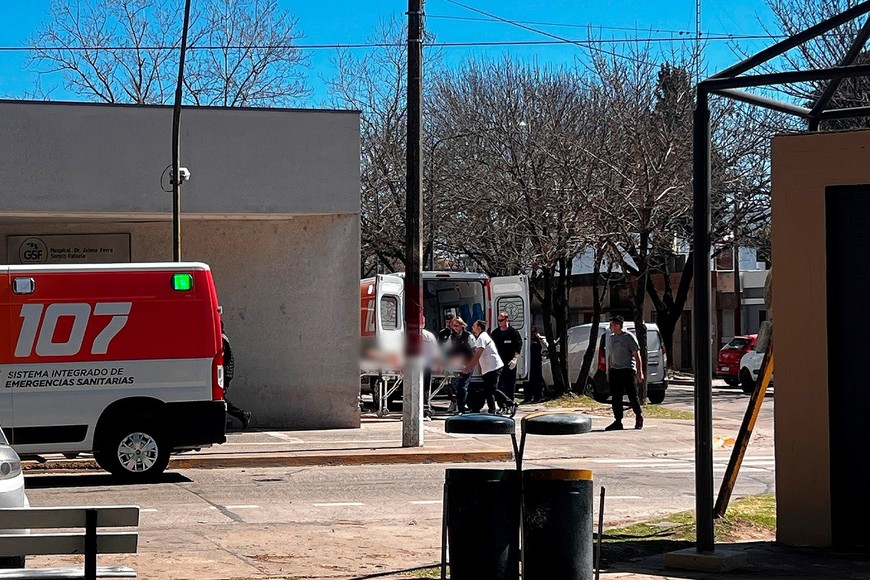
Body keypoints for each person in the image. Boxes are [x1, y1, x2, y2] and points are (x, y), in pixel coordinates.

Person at [465, 320, 517, 416]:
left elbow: (477, 354)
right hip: (488, 368)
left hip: (493, 367)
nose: (472, 327)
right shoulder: (481, 337)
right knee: (488, 389)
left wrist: (469, 367)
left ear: (479, 327)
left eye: (474, 326)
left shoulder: (482, 337)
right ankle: (492, 410)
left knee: (491, 389)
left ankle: (510, 403)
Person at [604, 315, 644, 431]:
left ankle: (638, 416)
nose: (610, 327)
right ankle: (618, 421)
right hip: (615, 371)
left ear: (617, 325)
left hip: (627, 370)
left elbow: (637, 355)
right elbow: (610, 355)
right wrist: (609, 370)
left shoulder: (628, 337)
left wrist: (640, 372)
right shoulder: (611, 338)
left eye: (612, 325)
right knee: (616, 397)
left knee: (632, 395)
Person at [222, 323, 252, 430]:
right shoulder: (224, 338)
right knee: (222, 399)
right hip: (226, 373)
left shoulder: (222, 340)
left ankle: (242, 415)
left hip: (224, 374)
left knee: (221, 399)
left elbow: (222, 357)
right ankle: (242, 415)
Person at [491, 311, 522, 409]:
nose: (499, 322)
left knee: (510, 384)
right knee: (500, 385)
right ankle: (502, 405)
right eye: (498, 320)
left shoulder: (513, 333)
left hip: (509, 363)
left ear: (507, 320)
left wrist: (515, 359)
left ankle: (510, 404)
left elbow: (518, 347)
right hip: (499, 363)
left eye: (501, 320)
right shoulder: (495, 333)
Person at [445, 316, 475, 414]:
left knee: (462, 386)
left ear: (462, 325)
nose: (455, 328)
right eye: (453, 326)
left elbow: (474, 351)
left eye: (457, 325)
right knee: (452, 386)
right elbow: (447, 351)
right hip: (455, 365)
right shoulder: (452, 337)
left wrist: (470, 363)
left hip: (467, 364)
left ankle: (461, 408)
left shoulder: (468, 336)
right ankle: (457, 404)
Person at [421, 316, 440, 419]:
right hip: (425, 366)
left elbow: (435, 353)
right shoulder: (429, 336)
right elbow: (435, 352)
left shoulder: (408, 335)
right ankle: (425, 412)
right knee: (425, 389)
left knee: (422, 390)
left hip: (417, 366)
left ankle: (423, 411)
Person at [525, 326, 549, 403]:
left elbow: (546, 346)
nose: (532, 334)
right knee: (528, 381)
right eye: (531, 332)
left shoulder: (539, 339)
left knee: (537, 381)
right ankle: (528, 397)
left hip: (537, 362)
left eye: (533, 332)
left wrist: (539, 338)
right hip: (529, 363)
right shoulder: (527, 340)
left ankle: (537, 397)